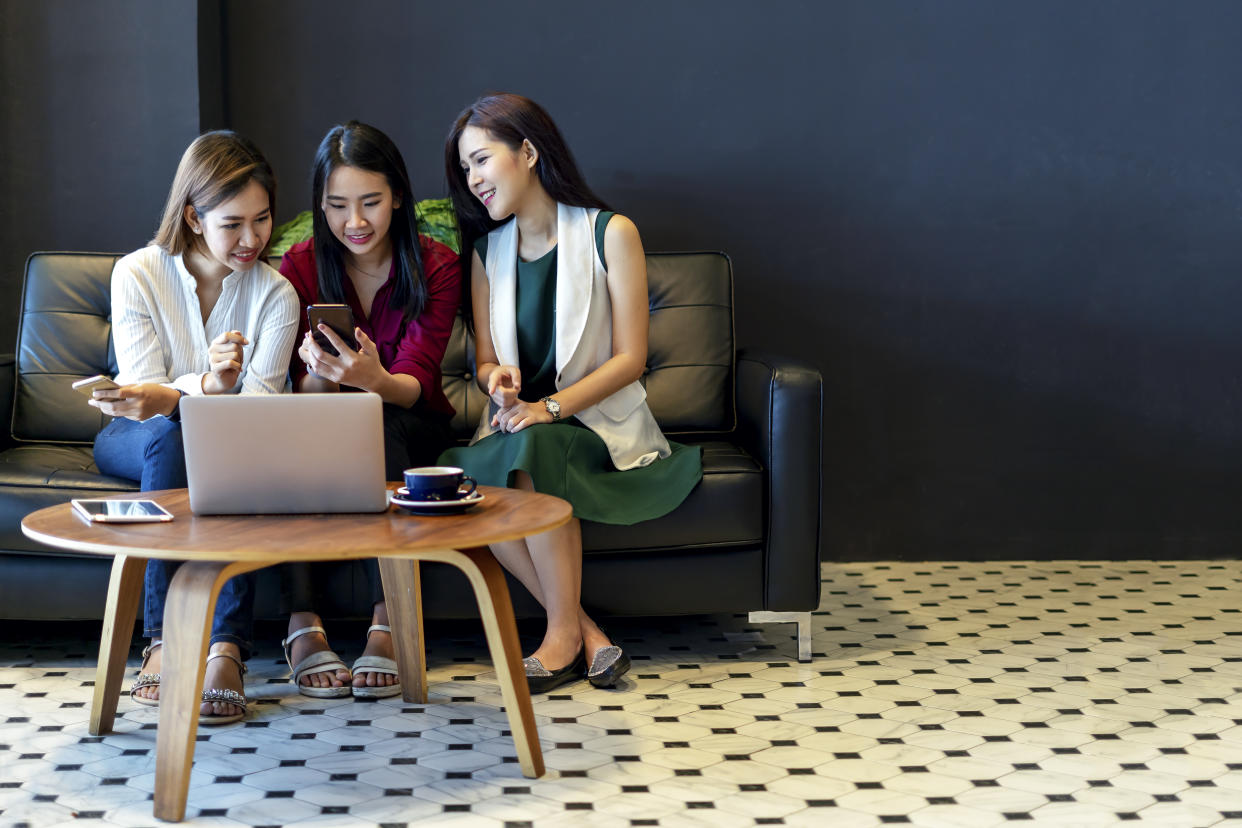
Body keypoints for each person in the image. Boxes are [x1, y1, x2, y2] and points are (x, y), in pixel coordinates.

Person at [440, 93, 702, 693]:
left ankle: (557, 643)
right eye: (466, 169)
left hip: (591, 423)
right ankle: (587, 635)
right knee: (471, 484)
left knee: (537, 454)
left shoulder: (612, 233)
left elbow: (631, 359)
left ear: (528, 151)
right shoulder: (485, 253)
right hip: (515, 424)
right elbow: (484, 359)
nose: (474, 179)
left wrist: (548, 408)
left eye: (482, 160)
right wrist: (495, 381)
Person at [90, 131, 299, 725]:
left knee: (217, 449)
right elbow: (142, 390)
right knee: (174, 436)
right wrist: (207, 387)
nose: (252, 239)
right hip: (137, 434)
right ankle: (165, 639)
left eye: (262, 220)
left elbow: (257, 408)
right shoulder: (137, 273)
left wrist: (209, 397)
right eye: (232, 223)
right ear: (192, 215)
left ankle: (224, 648)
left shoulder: (276, 293)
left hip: (228, 442)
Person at [278, 121, 461, 699]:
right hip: (319, 420)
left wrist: (372, 379)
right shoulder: (300, 266)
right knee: (294, 439)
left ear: (398, 196)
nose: (354, 223)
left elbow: (416, 383)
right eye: (336, 206)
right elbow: (300, 398)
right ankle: (301, 623)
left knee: (377, 419)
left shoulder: (435, 265)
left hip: (408, 419)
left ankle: (391, 618)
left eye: (370, 203)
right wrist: (323, 379)